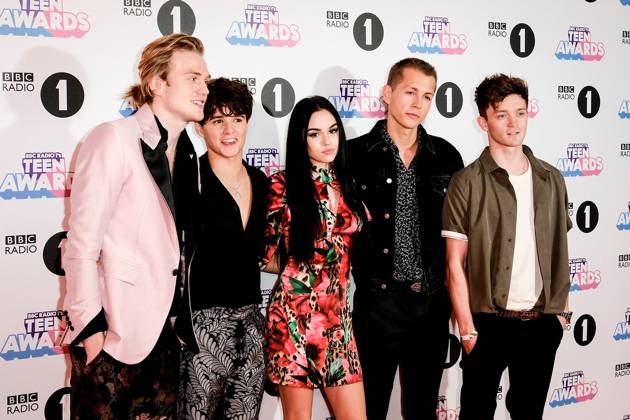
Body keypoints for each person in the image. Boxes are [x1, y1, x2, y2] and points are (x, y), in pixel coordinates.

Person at [62, 33, 210, 419]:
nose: (204, 87)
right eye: (193, 77)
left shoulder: (190, 156)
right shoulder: (113, 138)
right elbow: (81, 243)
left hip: (165, 336)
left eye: (205, 79)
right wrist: (90, 330)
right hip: (114, 335)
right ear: (157, 83)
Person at [442, 74, 572, 420]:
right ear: (483, 121)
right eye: (502, 114)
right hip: (488, 325)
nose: (514, 123)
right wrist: (468, 332)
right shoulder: (466, 182)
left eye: (521, 112)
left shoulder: (552, 179)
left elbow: (560, 250)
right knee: (476, 414)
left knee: (529, 414)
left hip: (542, 323)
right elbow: (455, 265)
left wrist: (561, 315)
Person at [348, 57, 464, 420]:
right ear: (387, 93)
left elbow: (461, 239)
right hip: (376, 306)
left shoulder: (446, 156)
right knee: (369, 410)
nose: (418, 104)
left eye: (427, 96)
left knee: (422, 411)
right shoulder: (353, 156)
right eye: (410, 92)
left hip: (430, 307)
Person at [262, 96, 368, 420]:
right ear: (300, 138)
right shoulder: (282, 185)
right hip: (291, 319)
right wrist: (302, 267)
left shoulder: (349, 183)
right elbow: (265, 256)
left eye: (333, 130)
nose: (327, 141)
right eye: (314, 133)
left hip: (337, 323)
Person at [177, 78, 269, 419]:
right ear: (200, 128)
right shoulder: (186, 180)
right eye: (217, 120)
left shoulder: (262, 183)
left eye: (237, 119)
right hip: (201, 329)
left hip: (251, 329)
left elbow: (262, 254)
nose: (229, 130)